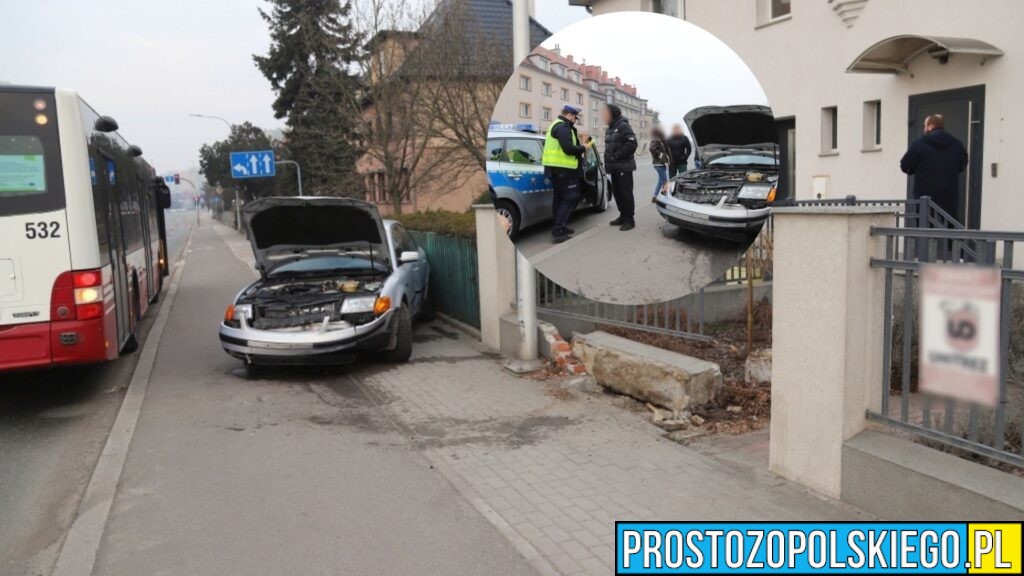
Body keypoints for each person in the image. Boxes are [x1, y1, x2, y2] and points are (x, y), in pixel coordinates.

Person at [900, 113, 969, 221]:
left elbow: (905, 166)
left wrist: (916, 169)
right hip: (949, 200)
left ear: (931, 126)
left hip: (925, 200)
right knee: (948, 230)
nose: (924, 129)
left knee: (925, 231)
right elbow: (962, 165)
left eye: (925, 126)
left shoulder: (919, 144)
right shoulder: (956, 144)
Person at [542, 104, 590, 243]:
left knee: (559, 199)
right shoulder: (563, 126)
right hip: (564, 171)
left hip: (557, 170)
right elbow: (568, 148)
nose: (575, 120)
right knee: (570, 199)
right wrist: (583, 147)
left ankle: (561, 227)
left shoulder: (556, 125)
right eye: (575, 117)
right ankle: (558, 231)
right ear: (569, 115)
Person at [601, 103, 638, 231]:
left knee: (626, 194)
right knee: (617, 194)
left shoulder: (624, 126)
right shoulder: (609, 129)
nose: (603, 116)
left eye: (605, 114)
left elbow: (632, 144)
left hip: (624, 167)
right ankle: (622, 216)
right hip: (614, 168)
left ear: (613, 114)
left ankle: (630, 220)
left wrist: (616, 156)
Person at [649, 126, 671, 202]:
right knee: (665, 181)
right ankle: (665, 197)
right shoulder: (655, 139)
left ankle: (655, 197)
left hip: (661, 163)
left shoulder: (661, 140)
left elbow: (667, 151)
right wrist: (660, 155)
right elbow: (652, 148)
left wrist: (667, 160)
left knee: (661, 181)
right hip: (659, 163)